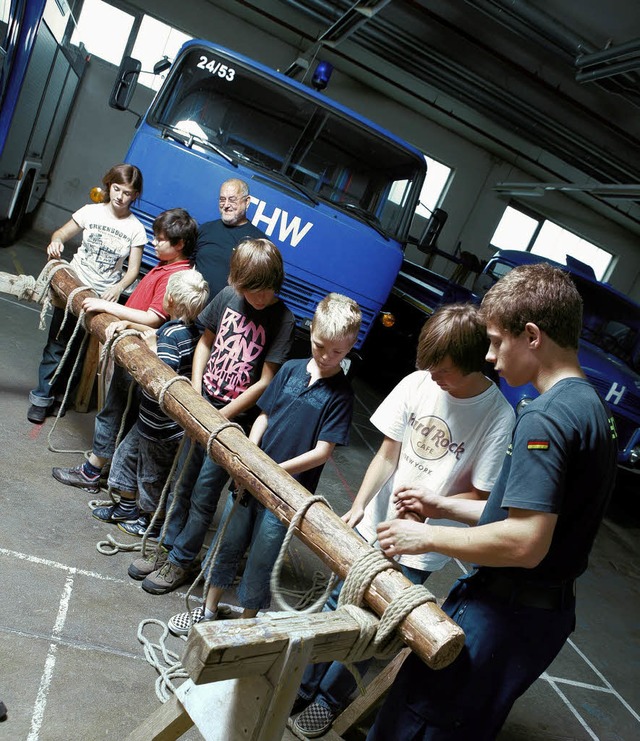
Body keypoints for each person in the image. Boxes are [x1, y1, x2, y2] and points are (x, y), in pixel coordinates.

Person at [366, 263, 618, 741]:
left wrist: (424, 534)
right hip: (543, 615)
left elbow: (526, 542)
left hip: (506, 611)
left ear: (532, 336)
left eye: (497, 341)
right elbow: (531, 517)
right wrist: (441, 504)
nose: (491, 357)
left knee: (420, 722)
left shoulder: (544, 419)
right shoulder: (591, 410)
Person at [292, 303, 516, 738]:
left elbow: (483, 498)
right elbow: (387, 453)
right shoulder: (418, 382)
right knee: (340, 601)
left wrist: (435, 503)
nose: (433, 376)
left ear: (472, 363)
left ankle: (328, 700)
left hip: (421, 545)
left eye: (444, 370)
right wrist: (360, 504)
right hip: (375, 525)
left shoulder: (497, 416)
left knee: (376, 623)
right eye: (429, 366)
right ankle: (303, 684)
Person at [166, 293, 362, 635]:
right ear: (312, 329)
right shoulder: (288, 370)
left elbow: (322, 452)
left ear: (350, 346)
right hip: (250, 480)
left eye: (338, 352)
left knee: (262, 556)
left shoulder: (341, 394)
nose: (328, 356)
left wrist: (274, 471)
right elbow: (264, 415)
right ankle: (208, 610)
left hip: (287, 495)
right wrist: (251, 454)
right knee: (227, 540)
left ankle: (245, 628)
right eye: (320, 346)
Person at [128, 237, 296, 595]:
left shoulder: (283, 319)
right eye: (251, 292)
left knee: (205, 493)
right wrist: (196, 390)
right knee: (182, 483)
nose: (259, 299)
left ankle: (182, 559)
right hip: (202, 408)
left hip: (232, 426)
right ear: (238, 282)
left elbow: (266, 380)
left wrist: (221, 414)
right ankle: (166, 547)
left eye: (265, 291)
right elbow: (205, 341)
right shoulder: (227, 297)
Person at [51, 208, 198, 495]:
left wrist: (108, 307)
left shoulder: (176, 273)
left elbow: (154, 318)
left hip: (141, 352)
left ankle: (93, 471)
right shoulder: (165, 265)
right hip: (133, 344)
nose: (154, 243)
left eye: (161, 239)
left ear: (180, 244)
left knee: (114, 409)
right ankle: (109, 470)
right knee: (118, 411)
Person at [90, 268, 209, 532]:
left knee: (151, 475)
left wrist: (149, 348)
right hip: (153, 421)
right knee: (125, 457)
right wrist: (135, 326)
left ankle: (149, 522)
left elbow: (162, 372)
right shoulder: (190, 331)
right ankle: (126, 507)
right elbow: (164, 335)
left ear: (170, 302)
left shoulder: (168, 337)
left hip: (161, 427)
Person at [28, 163, 145, 423]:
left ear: (135, 195)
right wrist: (56, 241)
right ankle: (41, 397)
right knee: (57, 345)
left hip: (101, 298)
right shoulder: (91, 211)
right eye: (116, 189)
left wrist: (117, 288)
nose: (120, 196)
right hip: (74, 288)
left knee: (80, 351)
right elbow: (60, 233)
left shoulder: (136, 228)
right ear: (109, 185)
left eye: (127, 193)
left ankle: (63, 397)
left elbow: (133, 270)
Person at [194, 178, 265, 298]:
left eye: (232, 200)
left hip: (224, 315)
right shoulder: (206, 229)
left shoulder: (259, 242)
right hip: (188, 310)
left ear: (247, 202)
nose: (226, 205)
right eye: (222, 200)